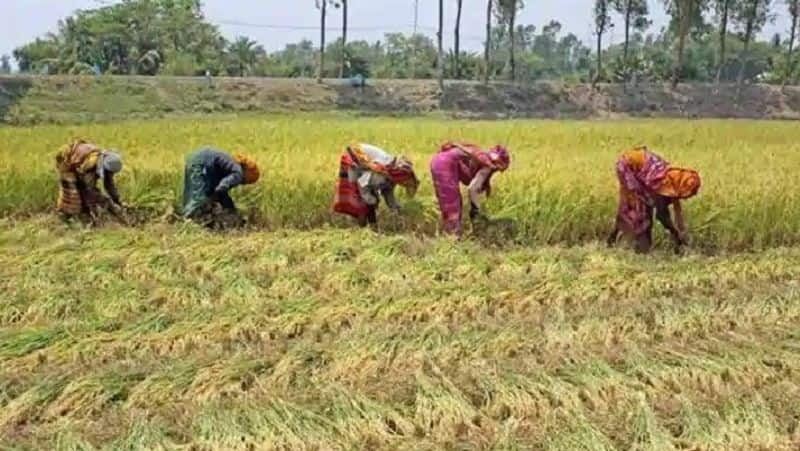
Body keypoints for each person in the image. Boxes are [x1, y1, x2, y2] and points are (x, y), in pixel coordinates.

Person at [607, 146, 701, 253]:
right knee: (641, 213)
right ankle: (640, 250)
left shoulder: (673, 181)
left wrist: (679, 231)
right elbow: (661, 215)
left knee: (636, 206)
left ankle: (613, 240)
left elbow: (675, 210)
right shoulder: (661, 184)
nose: (691, 196)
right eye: (690, 192)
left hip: (639, 168)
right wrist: (676, 234)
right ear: (682, 187)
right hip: (628, 167)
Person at [430, 142, 511, 235]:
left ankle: (446, 233)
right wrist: (475, 210)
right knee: (452, 204)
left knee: (450, 202)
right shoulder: (488, 165)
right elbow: (473, 188)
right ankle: (452, 239)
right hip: (445, 165)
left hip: (439, 161)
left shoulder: (482, 156)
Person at [333, 143, 419, 227]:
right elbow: (362, 182)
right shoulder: (382, 174)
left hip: (367, 166)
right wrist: (370, 199)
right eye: (405, 183)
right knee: (359, 198)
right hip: (354, 159)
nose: (404, 185)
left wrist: (395, 209)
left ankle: (371, 226)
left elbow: (388, 193)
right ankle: (361, 226)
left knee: (371, 198)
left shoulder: (391, 176)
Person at [181, 148, 261, 225]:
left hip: (196, 160)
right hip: (201, 163)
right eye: (249, 181)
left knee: (192, 194)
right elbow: (222, 188)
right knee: (198, 197)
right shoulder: (238, 173)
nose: (244, 184)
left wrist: (230, 207)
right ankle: (189, 221)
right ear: (248, 173)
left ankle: (187, 216)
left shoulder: (231, 166)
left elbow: (221, 191)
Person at [55, 139, 124, 223]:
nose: (109, 174)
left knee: (85, 191)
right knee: (72, 193)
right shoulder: (91, 163)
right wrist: (106, 202)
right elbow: (89, 189)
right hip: (66, 161)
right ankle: (67, 217)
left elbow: (109, 184)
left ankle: (84, 214)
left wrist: (117, 201)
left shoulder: (106, 164)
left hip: (79, 165)